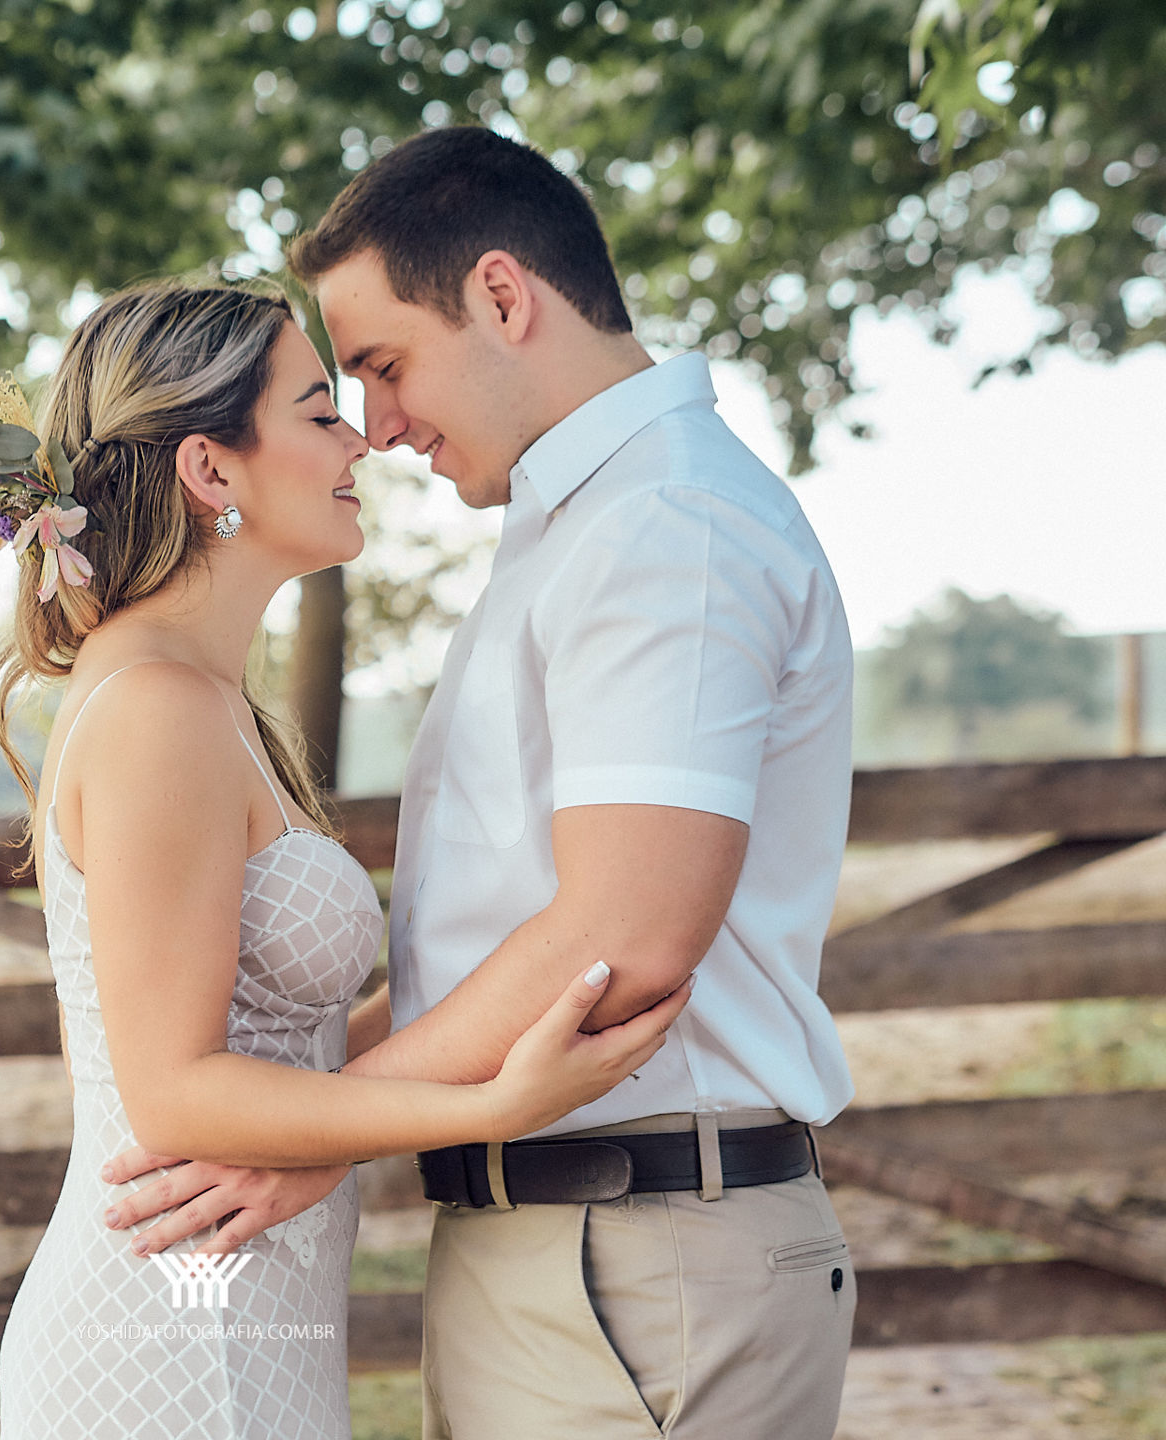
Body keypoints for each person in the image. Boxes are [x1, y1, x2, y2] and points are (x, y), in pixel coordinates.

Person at [103, 129, 860, 1439]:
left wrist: (321, 1132)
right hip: (571, 1249)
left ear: (504, 298)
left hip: (637, 1259)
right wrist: (310, 1110)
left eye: (385, 365)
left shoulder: (661, 530)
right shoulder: (580, 526)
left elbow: (622, 935)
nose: (378, 426)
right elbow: (500, 941)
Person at [0, 279, 694, 1440]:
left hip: (239, 1319)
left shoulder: (203, 699)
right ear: (211, 469)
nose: (364, 441)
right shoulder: (155, 709)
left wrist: (517, 985)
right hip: (172, 1342)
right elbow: (177, 1091)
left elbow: (283, 1043)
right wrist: (490, 1103)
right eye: (318, 411)